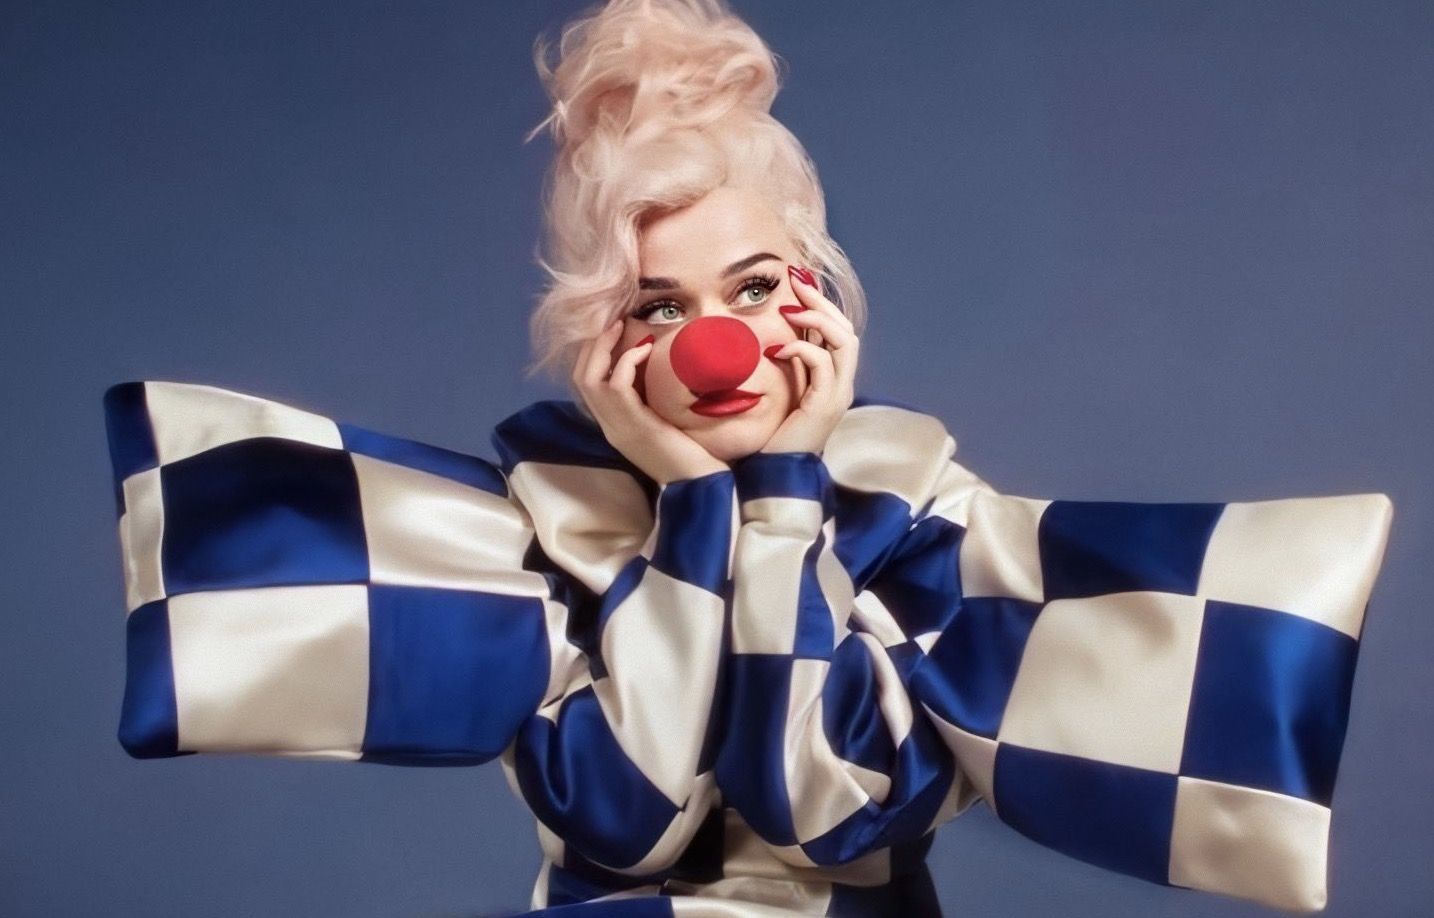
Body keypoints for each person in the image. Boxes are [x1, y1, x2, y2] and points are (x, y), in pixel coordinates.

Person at [99, 1, 1394, 915]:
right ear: (603, 339)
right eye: (658, 305)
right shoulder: (527, 536)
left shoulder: (925, 522)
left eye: (754, 285)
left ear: (815, 295)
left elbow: (823, 809)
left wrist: (781, 501)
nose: (716, 342)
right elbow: (623, 818)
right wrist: (693, 506)